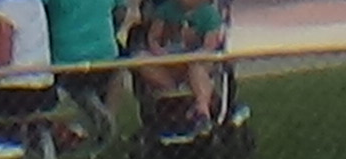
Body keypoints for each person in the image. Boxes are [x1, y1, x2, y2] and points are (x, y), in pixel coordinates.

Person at [138, 0, 224, 133]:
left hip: (196, 62)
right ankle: (172, 90)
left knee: (196, 66)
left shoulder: (209, 14)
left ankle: (202, 111)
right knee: (141, 59)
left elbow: (209, 46)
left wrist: (193, 54)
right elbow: (153, 38)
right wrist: (160, 52)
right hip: (169, 61)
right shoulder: (166, 9)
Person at [45, 0, 123, 145]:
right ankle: (108, 116)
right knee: (119, 68)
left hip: (66, 59)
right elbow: (120, 12)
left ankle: (81, 103)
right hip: (105, 55)